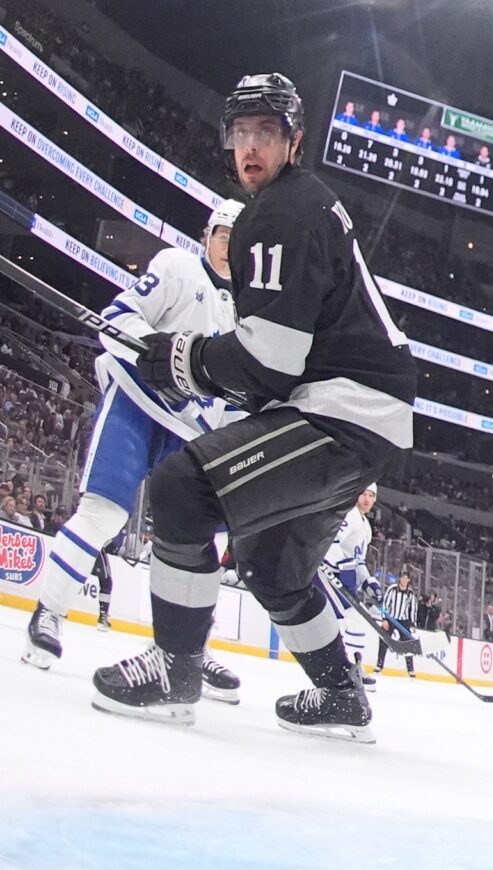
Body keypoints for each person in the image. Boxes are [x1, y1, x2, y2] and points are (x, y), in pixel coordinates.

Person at [90, 73, 416, 742]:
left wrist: (181, 359)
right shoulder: (297, 208)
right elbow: (271, 368)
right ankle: (341, 695)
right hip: (360, 411)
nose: (252, 146)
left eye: (267, 132)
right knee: (271, 564)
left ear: (294, 141)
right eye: (242, 132)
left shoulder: (279, 214)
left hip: (342, 410)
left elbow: (267, 360)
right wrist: (197, 363)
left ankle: (177, 670)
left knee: (182, 488)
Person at [22, 197, 247, 712]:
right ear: (207, 235)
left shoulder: (244, 313)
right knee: (104, 513)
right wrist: (156, 349)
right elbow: (118, 318)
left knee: (191, 547)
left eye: (238, 241)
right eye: (223, 235)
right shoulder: (176, 266)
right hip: (136, 402)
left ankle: (188, 650)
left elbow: (236, 393)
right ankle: (48, 612)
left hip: (189, 431)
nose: (228, 248)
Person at [321, 483, 377, 685]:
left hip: (343, 574)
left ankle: (352, 667)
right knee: (352, 618)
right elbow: (331, 540)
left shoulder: (365, 526)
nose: (367, 499)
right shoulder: (350, 514)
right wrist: (340, 566)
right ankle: (349, 668)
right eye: (363, 493)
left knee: (354, 618)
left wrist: (368, 581)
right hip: (327, 571)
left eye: (371, 495)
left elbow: (358, 560)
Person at [374, 571, 419, 678]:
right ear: (399, 579)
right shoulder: (392, 589)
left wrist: (413, 623)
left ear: (408, 580)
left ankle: (410, 669)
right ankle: (379, 665)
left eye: (406, 578)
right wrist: (384, 619)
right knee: (383, 640)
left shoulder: (411, 594)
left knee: (409, 644)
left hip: (403, 621)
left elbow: (413, 609)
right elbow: (385, 604)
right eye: (402, 578)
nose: (404, 580)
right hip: (391, 618)